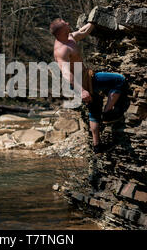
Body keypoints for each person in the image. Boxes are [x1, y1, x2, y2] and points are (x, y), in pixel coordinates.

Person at [51, 18, 128, 153]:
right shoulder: (61, 50)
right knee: (119, 80)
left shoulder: (69, 38)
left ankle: (97, 145)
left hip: (84, 78)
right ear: (61, 31)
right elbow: (66, 73)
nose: (69, 23)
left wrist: (94, 20)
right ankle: (107, 113)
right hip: (82, 82)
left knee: (94, 108)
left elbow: (83, 31)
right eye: (65, 24)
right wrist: (81, 91)